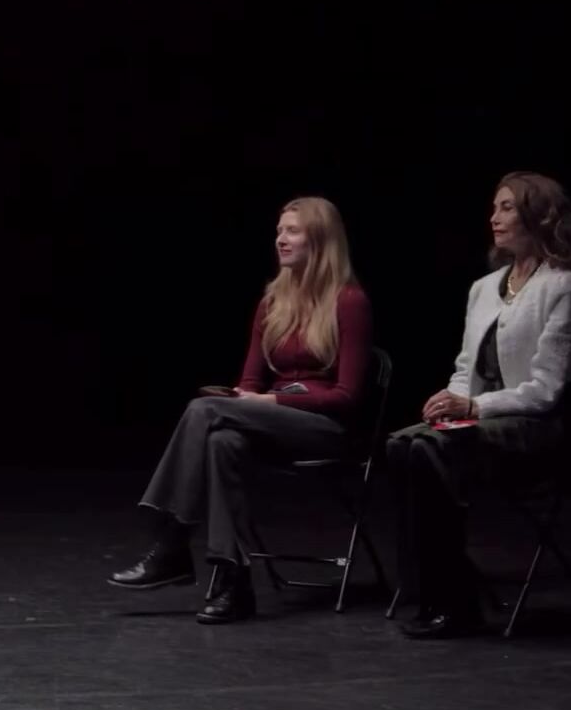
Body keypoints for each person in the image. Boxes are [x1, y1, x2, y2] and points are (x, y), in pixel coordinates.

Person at [108, 197, 374, 624]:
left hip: (327, 429)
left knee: (203, 411)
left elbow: (347, 397)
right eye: (279, 231)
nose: (280, 239)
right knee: (222, 440)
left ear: (320, 240)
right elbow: (249, 381)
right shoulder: (272, 302)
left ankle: (172, 543)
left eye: (292, 231)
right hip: (275, 425)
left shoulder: (349, 301)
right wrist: (242, 398)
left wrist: (270, 401)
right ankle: (233, 583)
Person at [388, 172, 571, 639]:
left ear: (538, 217)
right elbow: (466, 368)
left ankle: (455, 600)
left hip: (533, 427)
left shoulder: (562, 287)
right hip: (479, 420)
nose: (494, 218)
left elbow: (545, 390)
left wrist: (473, 406)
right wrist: (449, 400)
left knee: (429, 449)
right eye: (494, 208)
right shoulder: (483, 288)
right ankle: (437, 587)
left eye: (507, 208)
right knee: (402, 445)